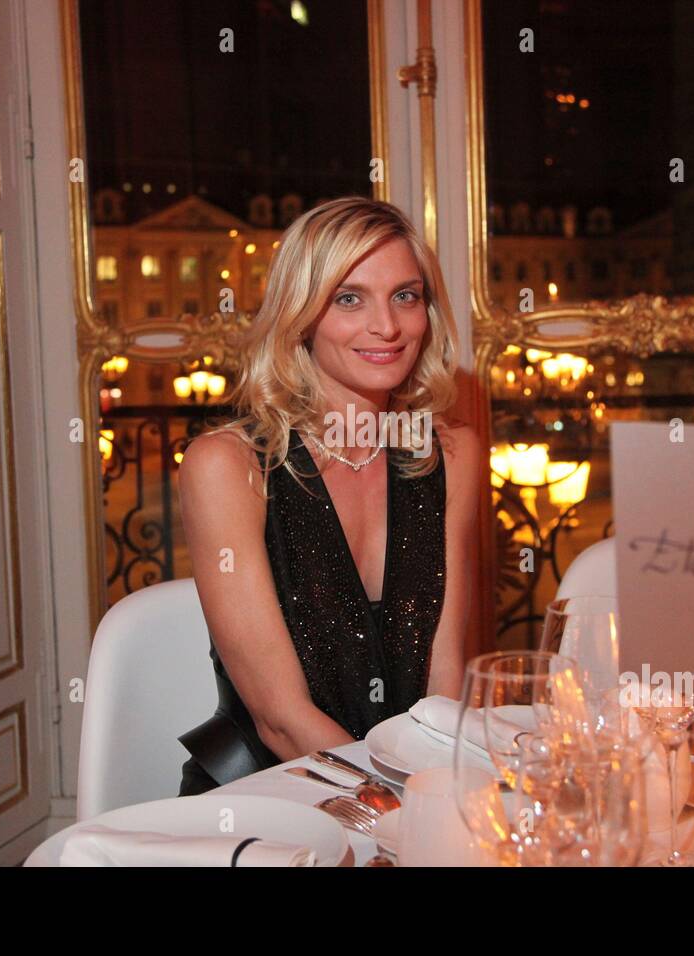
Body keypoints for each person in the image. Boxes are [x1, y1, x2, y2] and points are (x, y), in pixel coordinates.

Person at [176, 196, 481, 795]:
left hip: (412, 787)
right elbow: (281, 720)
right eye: (349, 298)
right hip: (276, 792)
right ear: (302, 314)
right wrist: (405, 808)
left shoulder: (452, 453)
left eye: (406, 296)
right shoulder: (230, 465)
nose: (387, 327)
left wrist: (444, 805)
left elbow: (445, 686)